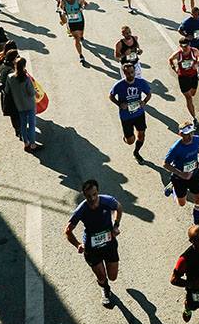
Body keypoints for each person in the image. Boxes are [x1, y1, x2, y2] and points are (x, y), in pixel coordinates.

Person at [65, 180, 122, 308]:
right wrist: (78, 244)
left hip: (109, 244)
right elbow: (68, 231)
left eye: (94, 194)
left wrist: (116, 225)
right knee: (101, 276)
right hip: (91, 248)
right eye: (88, 196)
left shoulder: (107, 201)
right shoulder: (81, 209)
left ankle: (108, 282)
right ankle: (105, 289)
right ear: (84, 195)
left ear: (98, 192)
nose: (92, 198)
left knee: (113, 276)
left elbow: (119, 207)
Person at [163, 123, 199, 223]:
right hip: (179, 179)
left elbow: (197, 147)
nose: (190, 136)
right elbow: (165, 164)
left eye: (192, 133)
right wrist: (181, 174)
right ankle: (173, 186)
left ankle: (196, 224)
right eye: (187, 134)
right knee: (181, 203)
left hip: (194, 174)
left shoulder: (196, 139)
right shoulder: (176, 148)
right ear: (180, 134)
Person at [110, 61, 151, 159]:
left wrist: (144, 102)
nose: (130, 74)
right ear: (124, 73)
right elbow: (111, 96)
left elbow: (149, 94)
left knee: (141, 135)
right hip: (126, 116)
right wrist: (119, 104)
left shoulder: (141, 82)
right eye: (128, 73)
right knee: (130, 141)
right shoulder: (119, 85)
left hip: (139, 114)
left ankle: (136, 152)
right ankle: (126, 138)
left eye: (132, 72)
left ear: (135, 71)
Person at [5, 56, 41, 152]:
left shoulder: (10, 77)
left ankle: (26, 144)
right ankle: (33, 144)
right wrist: (36, 92)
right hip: (29, 104)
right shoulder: (26, 79)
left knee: (23, 125)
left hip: (19, 105)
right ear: (24, 66)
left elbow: (7, 90)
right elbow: (30, 92)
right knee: (32, 124)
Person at [168, 39, 199, 126]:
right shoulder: (178, 54)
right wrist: (175, 68)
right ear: (180, 46)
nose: (184, 48)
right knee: (189, 98)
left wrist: (197, 63)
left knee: (193, 93)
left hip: (193, 76)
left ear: (189, 45)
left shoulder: (194, 51)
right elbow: (170, 59)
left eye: (186, 46)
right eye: (182, 46)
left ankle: (190, 103)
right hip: (183, 78)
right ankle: (194, 118)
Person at [60, 0, 90, 64]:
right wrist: (63, 13)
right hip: (71, 22)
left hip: (80, 20)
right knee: (77, 39)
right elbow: (61, 8)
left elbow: (86, 4)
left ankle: (81, 36)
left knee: (80, 35)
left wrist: (82, 8)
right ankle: (81, 56)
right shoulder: (63, 1)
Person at [179, 6, 199, 79]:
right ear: (192, 14)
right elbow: (179, 30)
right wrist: (186, 36)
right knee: (191, 60)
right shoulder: (187, 22)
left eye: (198, 14)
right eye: (195, 14)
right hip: (192, 44)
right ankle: (188, 74)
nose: (197, 16)